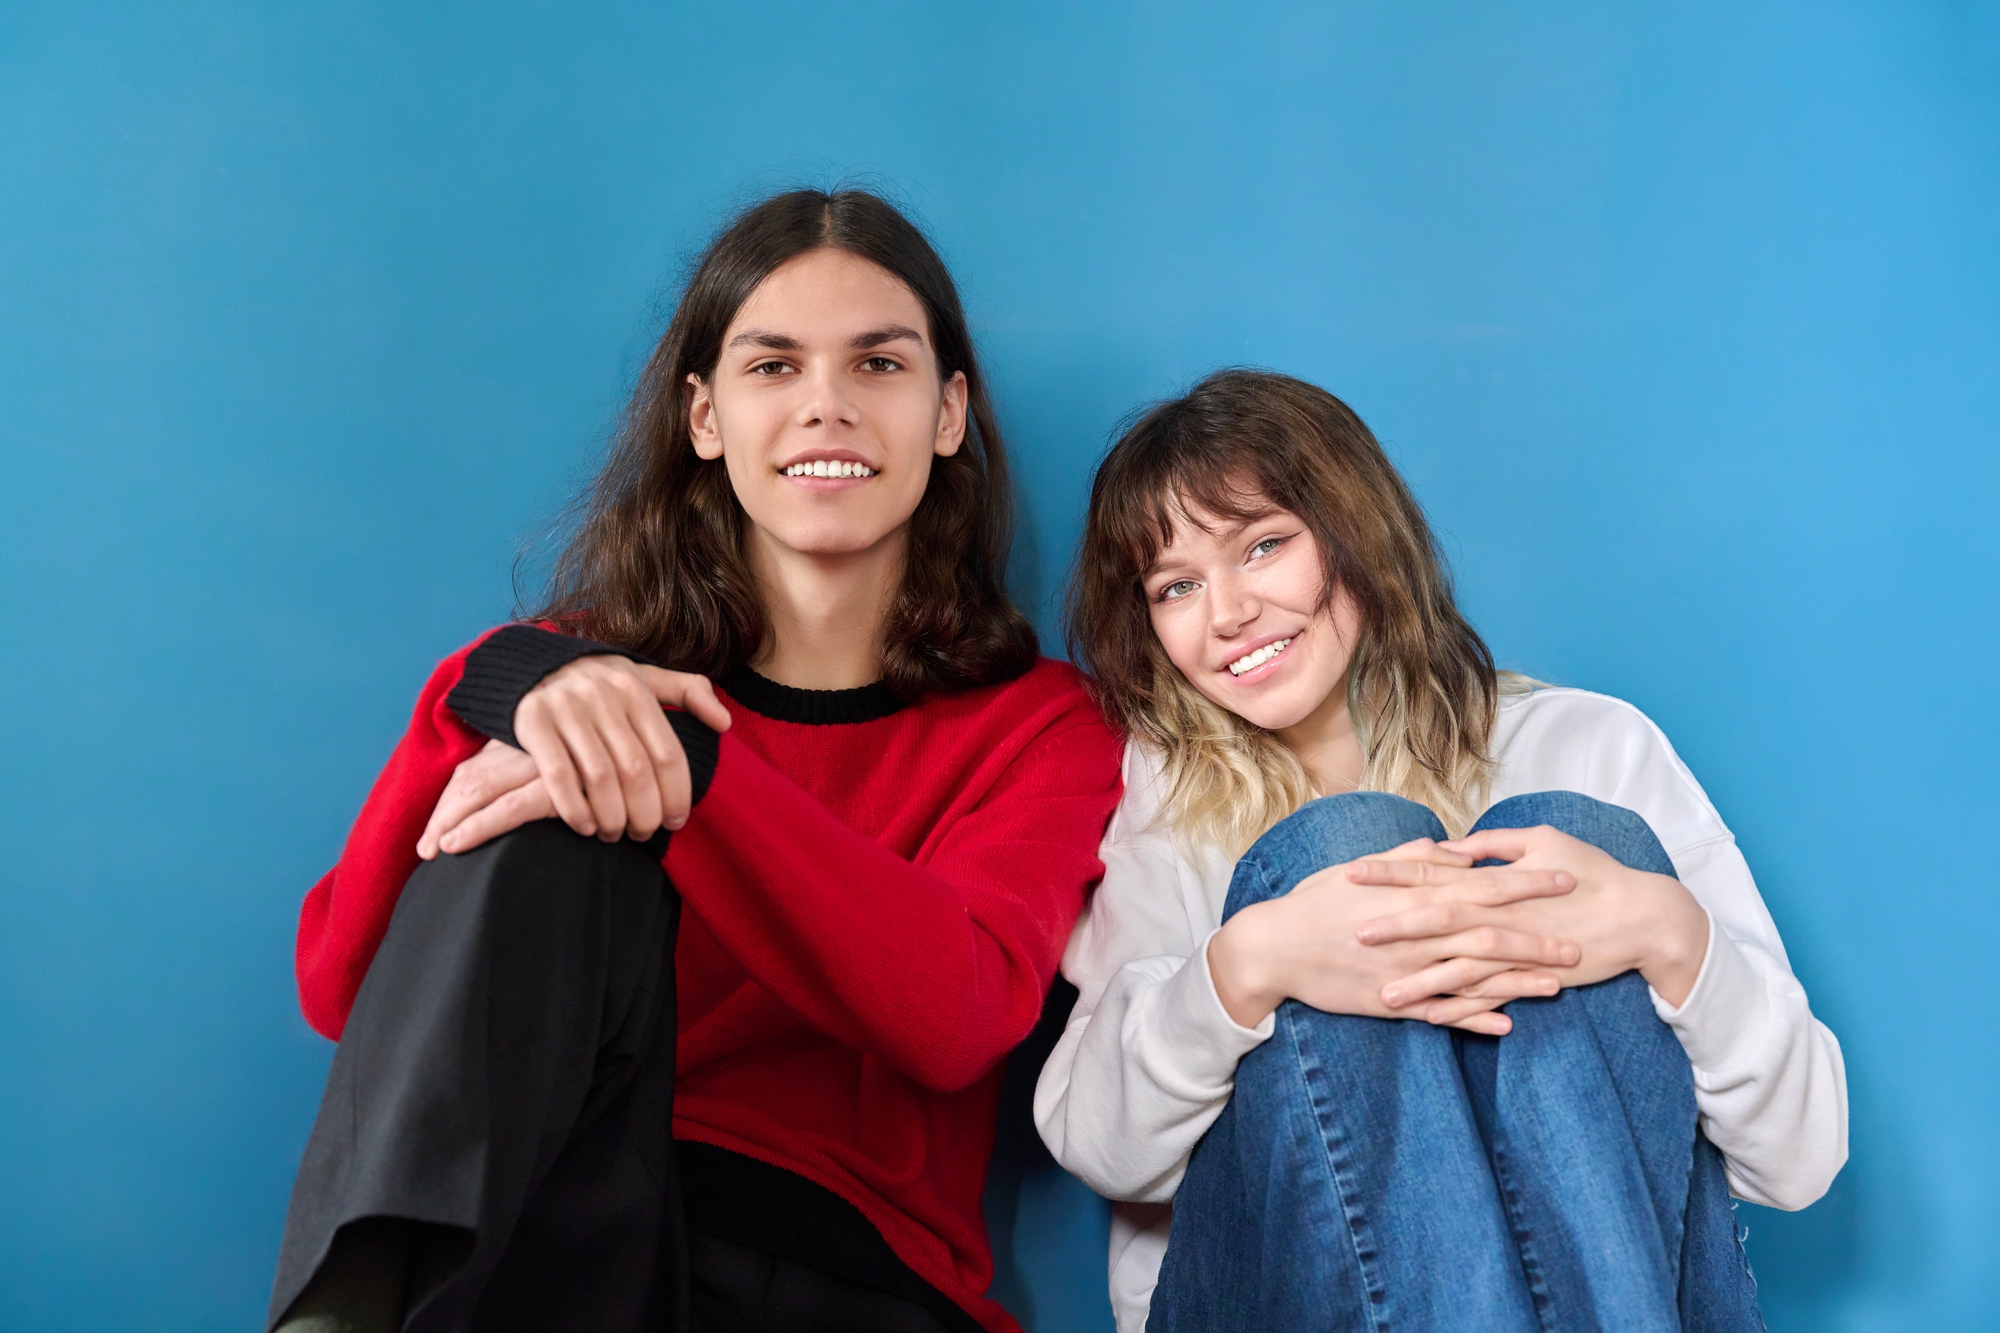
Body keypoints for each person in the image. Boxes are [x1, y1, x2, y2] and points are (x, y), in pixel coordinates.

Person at [269, 189, 1123, 1333]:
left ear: (947, 412)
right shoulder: (582, 678)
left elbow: (959, 1014)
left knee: (603, 755)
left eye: (877, 365)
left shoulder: (1037, 723)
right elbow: (342, 988)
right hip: (571, 1247)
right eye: (773, 367)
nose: (826, 406)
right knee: (565, 777)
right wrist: (489, 685)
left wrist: (694, 782)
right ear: (704, 415)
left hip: (854, 1277)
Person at [1034, 370, 1847, 1332]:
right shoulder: (1164, 795)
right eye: (1177, 586)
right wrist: (1254, 965)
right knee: (1342, 847)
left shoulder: (1591, 744)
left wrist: (1670, 937)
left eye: (1262, 545)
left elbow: (1799, 1160)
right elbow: (1101, 1146)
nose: (1228, 613)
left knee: (1587, 840)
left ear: (1353, 531)